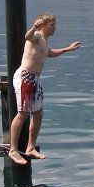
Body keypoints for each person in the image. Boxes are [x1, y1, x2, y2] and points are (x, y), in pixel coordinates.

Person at [8, 13, 81, 165]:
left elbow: (49, 53)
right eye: (52, 25)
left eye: (55, 24)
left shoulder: (44, 41)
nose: (55, 28)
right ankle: (13, 150)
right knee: (22, 114)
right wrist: (34, 26)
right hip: (25, 77)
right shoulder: (37, 36)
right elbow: (27, 37)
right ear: (44, 25)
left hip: (35, 80)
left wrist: (68, 49)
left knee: (38, 113)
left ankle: (30, 147)